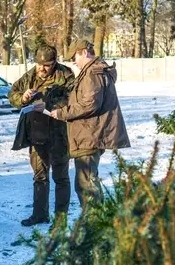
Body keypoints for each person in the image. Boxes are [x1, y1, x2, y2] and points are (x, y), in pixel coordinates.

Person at [50, 39, 130, 208]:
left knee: (85, 184)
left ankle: (94, 225)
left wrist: (62, 113)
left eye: (75, 56)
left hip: (89, 135)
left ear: (84, 52)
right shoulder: (95, 71)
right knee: (88, 181)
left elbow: (89, 104)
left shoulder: (92, 74)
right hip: (89, 134)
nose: (73, 61)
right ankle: (97, 223)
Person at [9, 45, 75, 226]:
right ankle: (40, 215)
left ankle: (60, 219)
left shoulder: (65, 74)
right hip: (37, 134)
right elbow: (12, 94)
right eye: (39, 64)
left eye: (46, 65)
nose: (42, 69)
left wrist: (48, 104)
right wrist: (23, 98)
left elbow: (72, 98)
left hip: (58, 134)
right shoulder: (30, 75)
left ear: (54, 63)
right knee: (40, 176)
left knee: (61, 178)